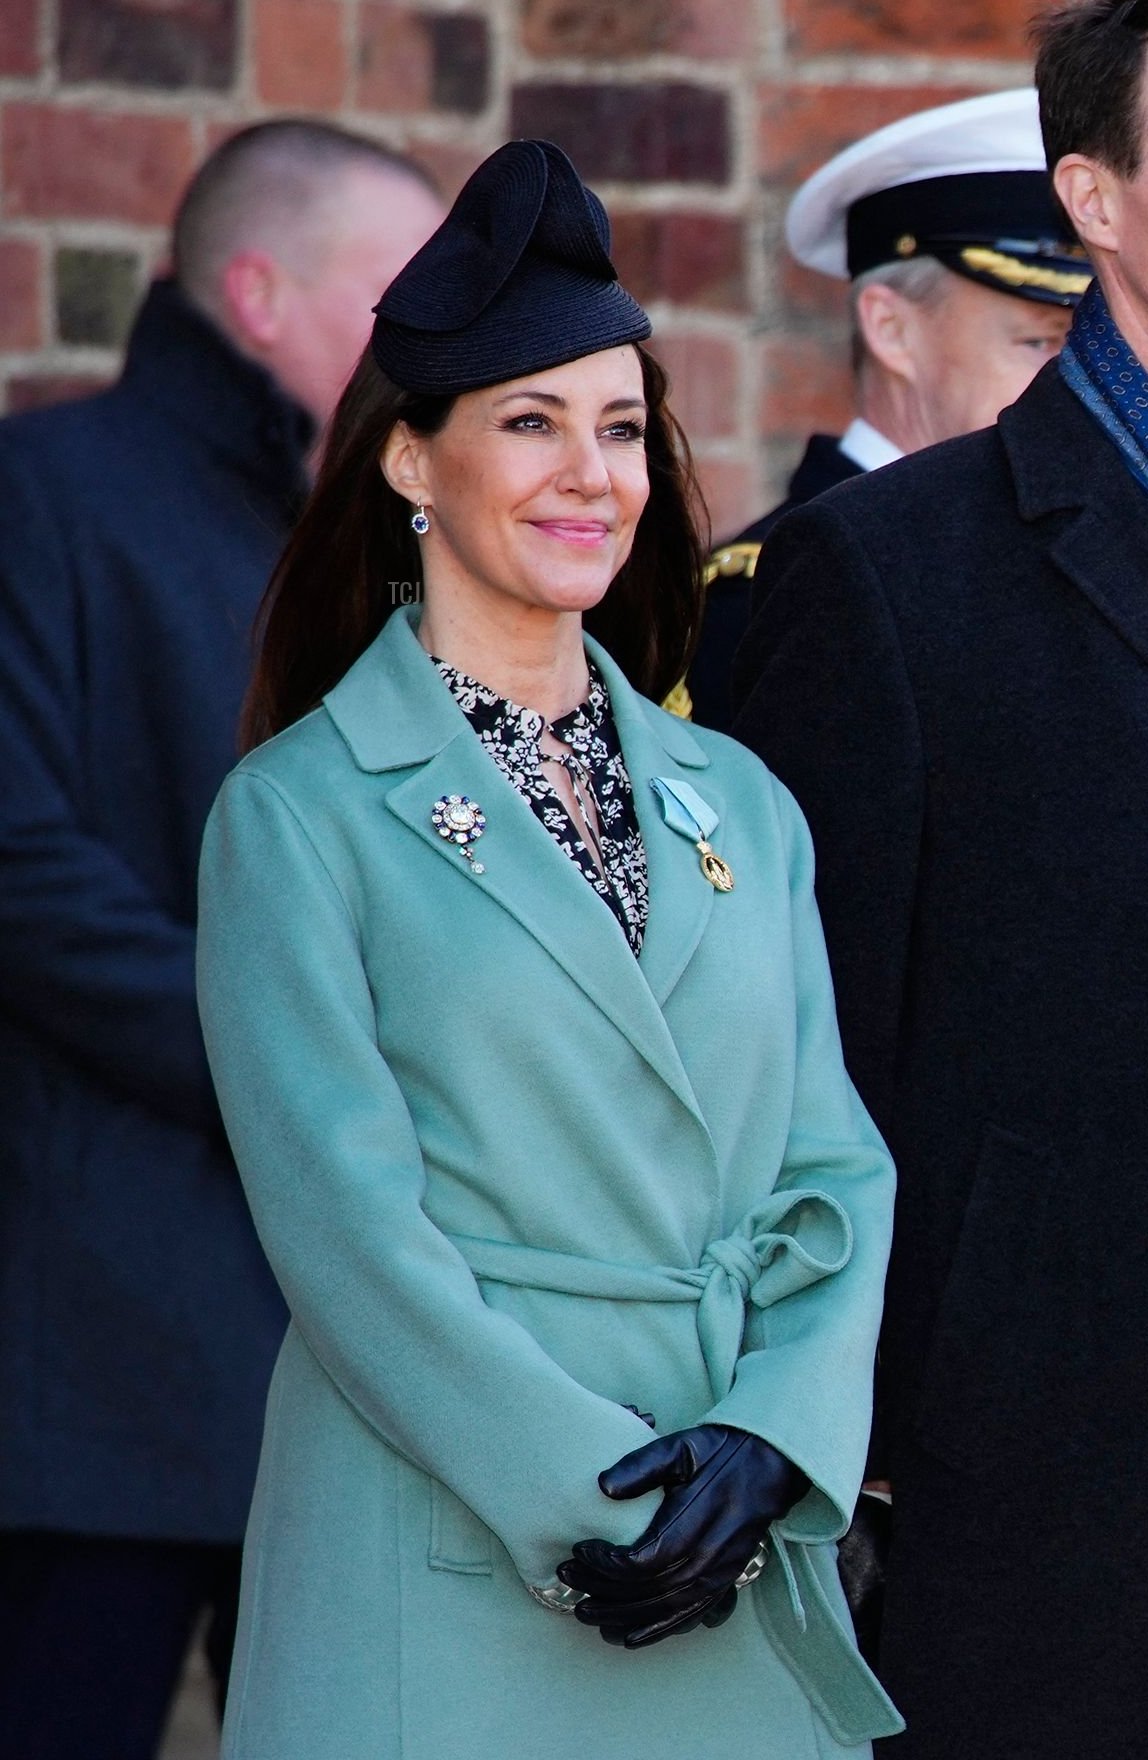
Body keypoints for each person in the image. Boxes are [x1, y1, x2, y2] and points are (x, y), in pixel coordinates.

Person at [195, 138, 902, 1760]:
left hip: (723, 1539)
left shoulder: (740, 799)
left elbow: (836, 1174)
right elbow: (350, 1242)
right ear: (410, 459)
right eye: (530, 422)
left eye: (620, 426)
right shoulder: (297, 815)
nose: (592, 473)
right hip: (453, 1551)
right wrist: (603, 1493)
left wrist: (772, 1445)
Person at [730, 3, 1148, 1755]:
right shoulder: (881, 572)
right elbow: (798, 1065)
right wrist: (851, 1431)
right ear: (1096, 200)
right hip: (1041, 1491)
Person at [0, 120, 443, 1759]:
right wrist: (295, 1061)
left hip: (346, 1355)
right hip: (91, 1352)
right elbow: (21, 872)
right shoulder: (40, 497)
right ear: (258, 292)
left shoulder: (380, 554)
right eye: (399, 297)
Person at [690, 88, 1089, 731]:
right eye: (1038, 342)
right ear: (892, 329)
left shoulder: (1061, 555)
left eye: (1092, 346)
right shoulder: (776, 590)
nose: (1075, 379)